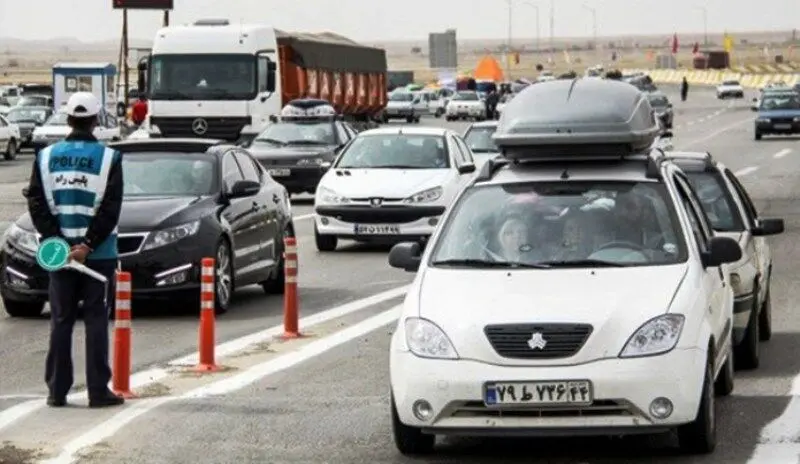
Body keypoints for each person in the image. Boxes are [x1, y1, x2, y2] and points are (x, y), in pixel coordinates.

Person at [25, 92, 125, 409]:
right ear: (96, 120)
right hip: (99, 256)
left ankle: (57, 391)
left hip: (58, 256)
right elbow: (111, 208)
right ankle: (98, 391)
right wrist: (87, 245)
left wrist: (60, 243)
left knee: (61, 320)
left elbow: (37, 204)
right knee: (96, 320)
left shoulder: (45, 157)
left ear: (68, 118)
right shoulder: (110, 158)